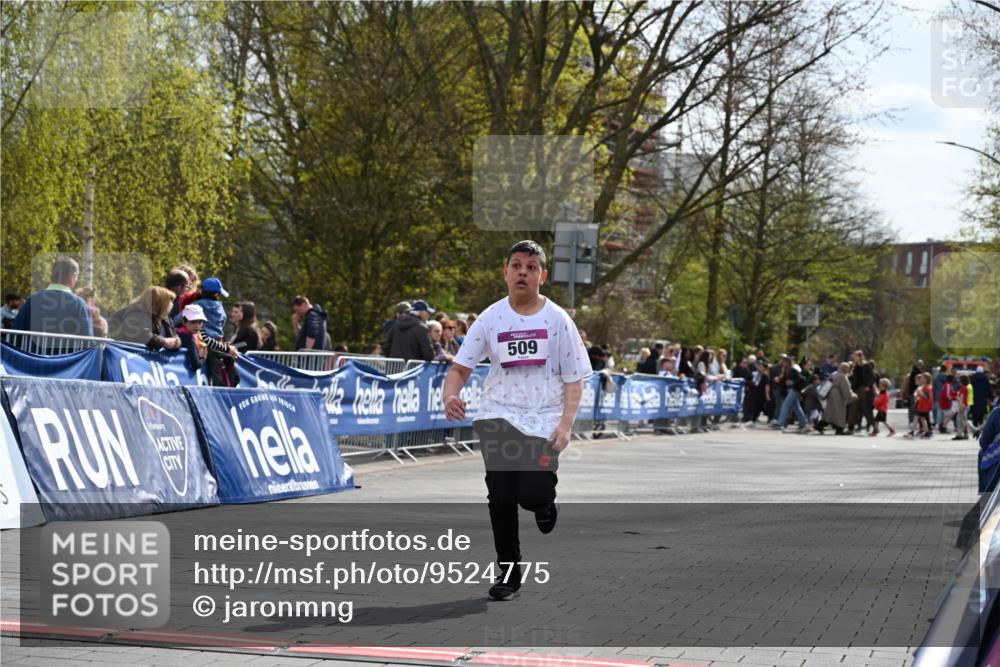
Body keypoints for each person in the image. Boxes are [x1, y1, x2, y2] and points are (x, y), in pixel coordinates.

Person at [442, 240, 590, 601]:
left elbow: (574, 377)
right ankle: (508, 573)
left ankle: (544, 504)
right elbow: (460, 368)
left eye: (531, 266)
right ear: (506, 272)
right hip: (499, 416)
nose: (523, 272)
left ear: (542, 275)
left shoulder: (557, 320)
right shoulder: (491, 318)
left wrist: (566, 425)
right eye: (516, 265)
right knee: (501, 497)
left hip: (543, 420)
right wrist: (451, 395)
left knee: (532, 493)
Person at [13, 256, 93, 337]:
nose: (76, 280)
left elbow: (15, 334)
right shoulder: (80, 305)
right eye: (76, 276)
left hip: (30, 350)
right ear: (71, 277)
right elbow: (87, 342)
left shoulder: (32, 300)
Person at [176, 304, 240, 385]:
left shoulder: (196, 333)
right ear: (184, 322)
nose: (197, 326)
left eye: (200, 322)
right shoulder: (187, 337)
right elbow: (196, 365)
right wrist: (203, 356)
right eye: (193, 322)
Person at [109, 286, 181, 351]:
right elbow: (142, 336)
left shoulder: (165, 318)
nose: (170, 306)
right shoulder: (136, 314)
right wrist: (164, 342)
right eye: (167, 303)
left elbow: (173, 335)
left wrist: (176, 342)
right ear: (158, 304)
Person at [819, 362, 853, 435]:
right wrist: (851, 396)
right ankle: (839, 429)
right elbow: (845, 389)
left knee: (829, 412)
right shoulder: (843, 376)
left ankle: (821, 425)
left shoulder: (834, 374)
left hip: (831, 394)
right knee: (839, 413)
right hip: (839, 396)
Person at [953, 375, 971, 441]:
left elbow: (962, 398)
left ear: (962, 380)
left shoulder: (963, 388)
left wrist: (960, 406)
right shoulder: (965, 388)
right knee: (963, 421)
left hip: (963, 405)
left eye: (959, 379)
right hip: (965, 405)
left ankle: (960, 435)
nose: (958, 380)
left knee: (959, 421)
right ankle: (965, 434)